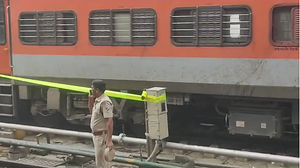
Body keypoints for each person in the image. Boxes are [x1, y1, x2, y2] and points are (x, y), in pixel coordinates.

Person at [88, 79, 114, 168]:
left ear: (97, 90)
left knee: (101, 163)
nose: (91, 89)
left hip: (102, 137)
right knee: (100, 162)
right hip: (97, 136)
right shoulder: (97, 100)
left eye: (92, 88)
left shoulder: (105, 102)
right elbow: (91, 111)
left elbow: (109, 121)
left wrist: (109, 140)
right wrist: (91, 99)